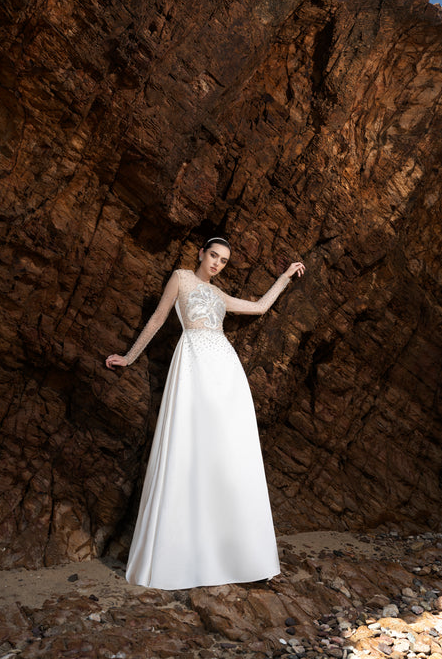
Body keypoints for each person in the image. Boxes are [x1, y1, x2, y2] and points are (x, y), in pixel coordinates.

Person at [106, 238, 305, 590]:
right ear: (201, 253)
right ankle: (186, 551)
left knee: (228, 453)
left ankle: (238, 554)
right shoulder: (181, 278)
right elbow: (157, 319)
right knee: (190, 446)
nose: (216, 263)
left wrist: (286, 276)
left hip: (226, 368)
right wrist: (129, 357)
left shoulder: (221, 297)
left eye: (224, 261)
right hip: (194, 360)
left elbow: (259, 307)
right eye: (213, 255)